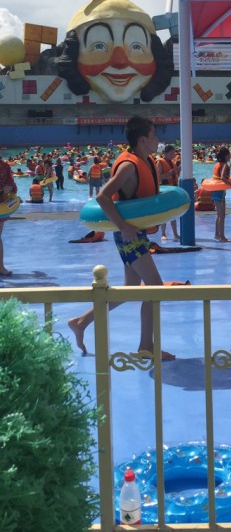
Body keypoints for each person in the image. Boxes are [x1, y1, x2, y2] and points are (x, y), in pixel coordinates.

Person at [67, 116, 175, 360]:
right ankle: (146, 346)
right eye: (154, 135)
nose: (158, 140)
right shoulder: (128, 166)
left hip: (135, 233)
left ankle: (81, 322)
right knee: (155, 288)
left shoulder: (146, 160)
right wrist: (123, 227)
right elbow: (103, 197)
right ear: (143, 140)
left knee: (130, 289)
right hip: (129, 236)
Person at [212, 146, 231, 242]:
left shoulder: (217, 164)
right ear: (226, 156)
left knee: (219, 214)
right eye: (229, 154)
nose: (230, 156)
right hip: (220, 192)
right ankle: (222, 237)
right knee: (222, 215)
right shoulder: (225, 165)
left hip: (215, 191)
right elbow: (223, 177)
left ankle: (217, 234)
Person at [156, 145, 180, 241]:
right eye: (171, 153)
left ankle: (175, 234)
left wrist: (177, 171)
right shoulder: (160, 162)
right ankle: (163, 233)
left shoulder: (173, 163)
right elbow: (158, 177)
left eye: (174, 153)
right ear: (165, 153)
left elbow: (175, 176)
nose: (173, 155)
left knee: (173, 212)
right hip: (164, 190)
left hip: (172, 189)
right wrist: (170, 173)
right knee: (164, 212)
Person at [0, 155, 18, 275]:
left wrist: (6, 192)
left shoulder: (4, 166)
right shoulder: (4, 166)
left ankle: (1, 267)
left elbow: (11, 186)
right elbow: (12, 186)